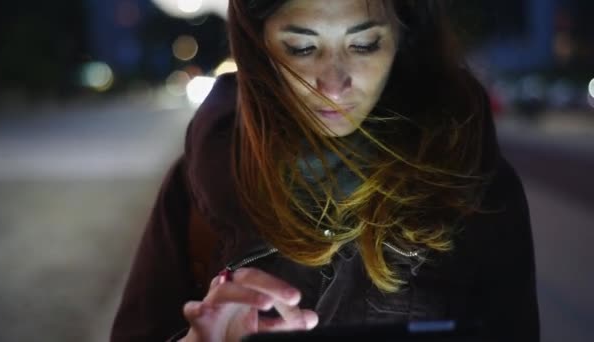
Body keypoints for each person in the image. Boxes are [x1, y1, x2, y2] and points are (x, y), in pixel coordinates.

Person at [110, 0, 540, 341]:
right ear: (258, 48)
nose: (333, 84)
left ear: (404, 40)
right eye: (302, 47)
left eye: (364, 44)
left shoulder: (475, 189)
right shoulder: (200, 180)